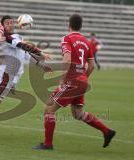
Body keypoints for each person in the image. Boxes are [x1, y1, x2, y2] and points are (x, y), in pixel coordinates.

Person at [33, 14, 116, 150]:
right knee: (78, 113)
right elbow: (92, 65)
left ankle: (47, 144)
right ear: (81, 26)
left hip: (71, 80)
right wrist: (83, 78)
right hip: (82, 80)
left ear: (69, 24)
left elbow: (66, 59)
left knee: (49, 109)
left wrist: (63, 79)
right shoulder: (86, 41)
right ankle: (107, 131)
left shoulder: (67, 38)